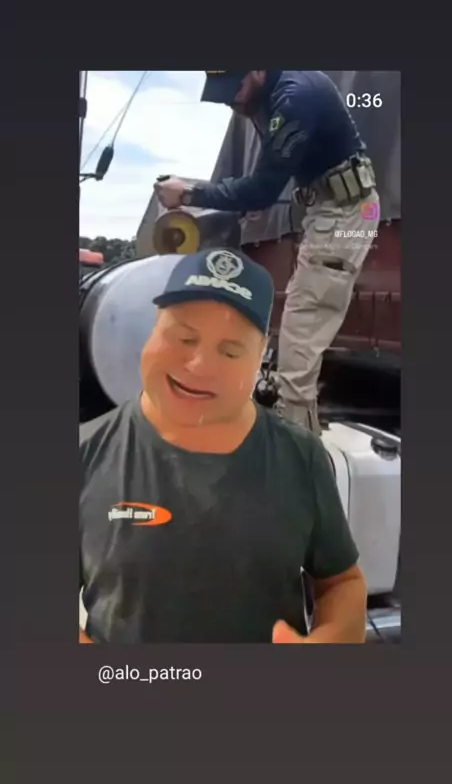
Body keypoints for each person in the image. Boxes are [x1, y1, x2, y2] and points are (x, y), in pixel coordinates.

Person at [79, 247, 367, 644]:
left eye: (230, 350)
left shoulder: (300, 455)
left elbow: (342, 583)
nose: (200, 365)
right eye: (184, 337)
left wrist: (331, 639)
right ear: (153, 330)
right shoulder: (86, 452)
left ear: (260, 355)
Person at [155, 71, 380, 434]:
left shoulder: (295, 97)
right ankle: (295, 435)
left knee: (301, 334)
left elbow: (261, 189)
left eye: (235, 89)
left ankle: (295, 448)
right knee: (299, 323)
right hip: (330, 208)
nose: (232, 101)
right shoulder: (271, 95)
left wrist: (189, 193)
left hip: (346, 212)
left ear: (257, 70)